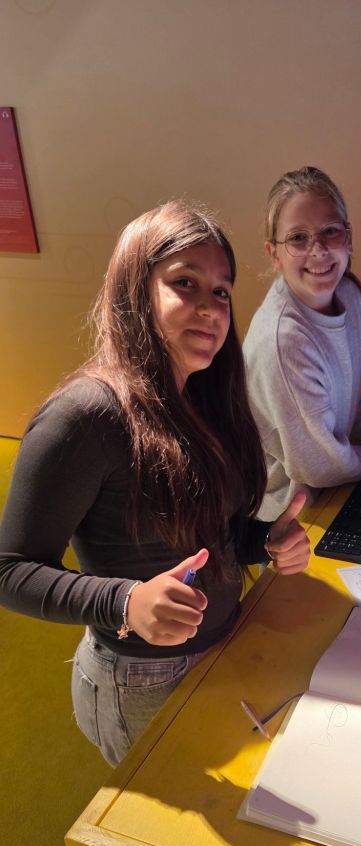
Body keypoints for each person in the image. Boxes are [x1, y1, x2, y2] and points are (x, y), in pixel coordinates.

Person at [0, 199, 310, 771]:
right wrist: (125, 601)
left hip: (223, 644)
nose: (209, 308)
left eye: (221, 291)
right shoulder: (85, 416)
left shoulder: (204, 399)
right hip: (143, 677)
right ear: (135, 291)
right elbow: (9, 569)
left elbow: (207, 536)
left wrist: (264, 540)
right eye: (184, 283)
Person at [243, 166, 361, 520]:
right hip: (286, 519)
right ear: (274, 254)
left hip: (339, 485)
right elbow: (321, 468)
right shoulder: (284, 340)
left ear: (348, 237)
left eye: (330, 231)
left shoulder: (349, 295)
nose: (319, 249)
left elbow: (345, 403)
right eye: (298, 238)